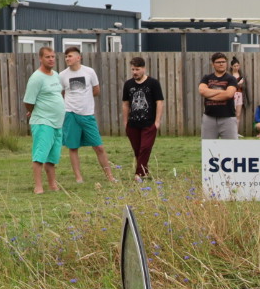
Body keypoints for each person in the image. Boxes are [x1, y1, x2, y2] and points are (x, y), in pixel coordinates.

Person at [59, 47, 114, 183]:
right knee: (73, 147)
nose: (67, 59)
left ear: (79, 57)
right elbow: (61, 94)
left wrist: (85, 100)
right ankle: (78, 177)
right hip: (70, 114)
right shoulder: (62, 75)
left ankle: (110, 177)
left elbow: (96, 90)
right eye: (66, 56)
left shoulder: (89, 72)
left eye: (70, 56)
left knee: (99, 147)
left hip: (87, 114)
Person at [21, 46, 65, 194]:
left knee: (52, 157)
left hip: (57, 122)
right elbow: (28, 101)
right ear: (40, 58)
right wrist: (31, 111)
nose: (51, 59)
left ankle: (53, 185)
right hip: (42, 121)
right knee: (40, 155)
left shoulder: (55, 75)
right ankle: (38, 186)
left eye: (53, 56)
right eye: (47, 57)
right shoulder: (36, 78)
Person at [120, 56, 164, 180]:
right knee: (138, 150)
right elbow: (125, 103)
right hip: (133, 124)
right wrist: (125, 122)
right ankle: (144, 172)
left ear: (144, 69)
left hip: (148, 123)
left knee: (145, 148)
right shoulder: (128, 84)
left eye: (137, 69)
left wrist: (157, 121)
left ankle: (138, 174)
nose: (135, 72)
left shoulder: (153, 83)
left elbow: (159, 102)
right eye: (133, 69)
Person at [198, 52, 240, 139]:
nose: (221, 64)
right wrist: (222, 92)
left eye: (223, 62)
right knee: (208, 148)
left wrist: (209, 94)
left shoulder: (231, 79)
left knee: (231, 148)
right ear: (213, 64)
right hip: (209, 118)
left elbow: (229, 94)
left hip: (228, 118)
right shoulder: (207, 78)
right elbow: (202, 91)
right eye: (218, 62)